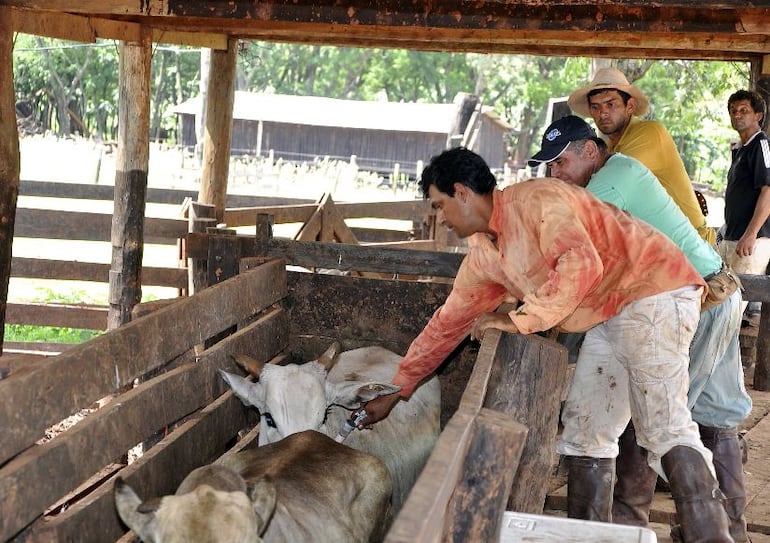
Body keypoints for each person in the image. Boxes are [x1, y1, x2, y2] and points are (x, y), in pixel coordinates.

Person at [361, 147, 732, 542]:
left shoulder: (538, 199)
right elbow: (449, 323)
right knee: (586, 430)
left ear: (462, 192)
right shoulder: (486, 252)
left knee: (664, 426)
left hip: (655, 289)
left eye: (440, 205)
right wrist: (398, 388)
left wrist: (517, 321)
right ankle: (586, 537)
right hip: (608, 311)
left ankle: (712, 537)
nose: (441, 218)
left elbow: (580, 264)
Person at [530, 115, 750, 542]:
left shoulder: (613, 178)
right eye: (550, 166)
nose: (555, 174)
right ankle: (705, 530)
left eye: (559, 164)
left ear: (589, 152)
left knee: (664, 421)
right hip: (694, 292)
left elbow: (566, 239)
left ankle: (680, 529)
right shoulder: (615, 175)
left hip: (696, 297)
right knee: (683, 418)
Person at [567, 67, 714, 244]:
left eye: (610, 104)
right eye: (595, 107)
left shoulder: (650, 133)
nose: (603, 113)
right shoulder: (609, 146)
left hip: (692, 246)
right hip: (662, 248)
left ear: (630, 106)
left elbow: (608, 182)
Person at [718, 89, 770, 328]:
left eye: (744, 110)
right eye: (733, 111)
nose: (737, 115)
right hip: (733, 237)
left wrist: (751, 234)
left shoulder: (761, 145)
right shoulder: (741, 149)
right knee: (722, 309)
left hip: (752, 241)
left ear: (758, 115)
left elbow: (768, 191)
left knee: (730, 312)